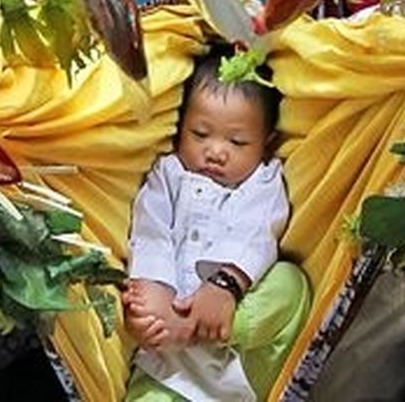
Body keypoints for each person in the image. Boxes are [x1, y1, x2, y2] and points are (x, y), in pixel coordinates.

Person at [122, 47, 308, 401]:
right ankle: (182, 330)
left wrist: (224, 287)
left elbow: (258, 234)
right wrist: (152, 292)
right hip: (168, 368)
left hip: (237, 356)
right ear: (181, 128)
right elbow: (150, 232)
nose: (216, 151)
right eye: (200, 134)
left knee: (291, 283)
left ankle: (200, 328)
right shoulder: (169, 174)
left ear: (266, 143)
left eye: (237, 142)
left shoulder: (263, 181)